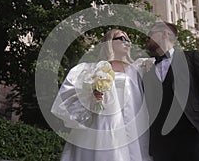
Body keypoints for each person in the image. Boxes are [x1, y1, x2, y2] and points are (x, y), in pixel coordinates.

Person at [51, 29, 154, 161]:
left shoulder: (136, 69)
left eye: (128, 40)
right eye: (122, 39)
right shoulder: (92, 69)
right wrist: (92, 97)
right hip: (102, 124)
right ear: (109, 43)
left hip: (131, 125)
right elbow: (74, 96)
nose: (127, 42)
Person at [144, 21, 199, 161]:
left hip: (192, 136)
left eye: (150, 34)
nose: (147, 39)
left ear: (164, 33)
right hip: (161, 143)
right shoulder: (148, 70)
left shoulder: (191, 58)